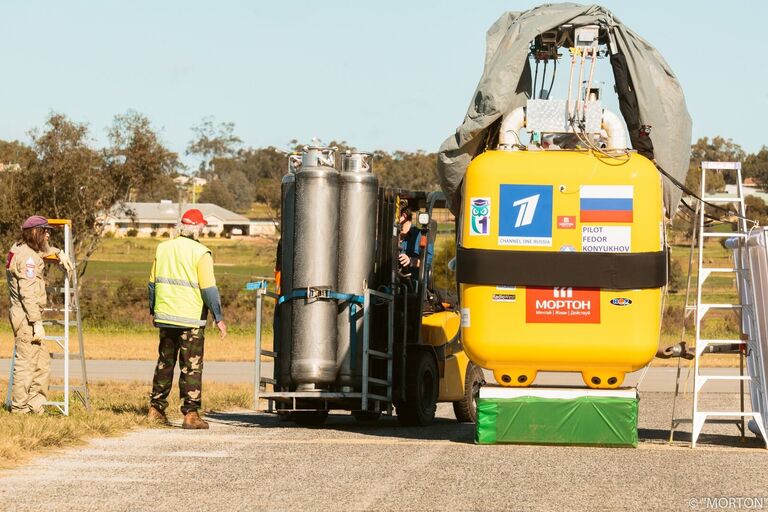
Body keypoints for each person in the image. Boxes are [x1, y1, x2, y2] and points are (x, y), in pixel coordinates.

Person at [147, 208, 227, 429]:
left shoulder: (162, 248)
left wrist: (153, 309)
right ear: (198, 228)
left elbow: (152, 284)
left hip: (165, 316)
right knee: (191, 366)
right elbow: (209, 289)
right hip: (190, 319)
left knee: (165, 362)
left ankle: (156, 408)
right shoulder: (201, 253)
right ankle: (190, 414)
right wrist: (218, 317)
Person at [5, 215, 73, 414]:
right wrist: (36, 323)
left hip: (26, 314)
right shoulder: (28, 259)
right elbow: (27, 293)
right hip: (27, 316)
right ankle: (20, 409)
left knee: (41, 363)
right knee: (26, 364)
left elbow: (39, 253)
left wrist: (59, 252)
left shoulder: (20, 249)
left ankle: (35, 405)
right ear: (36, 233)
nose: (48, 234)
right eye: (45, 231)